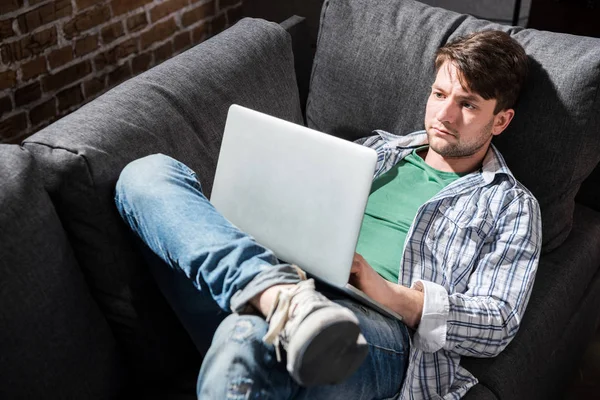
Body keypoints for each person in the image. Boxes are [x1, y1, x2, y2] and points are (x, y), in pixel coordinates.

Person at [114, 30, 541, 399]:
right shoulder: (373, 149)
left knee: (247, 334)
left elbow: (498, 322)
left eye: (468, 105)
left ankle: (278, 304)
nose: (444, 115)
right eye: (439, 94)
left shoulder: (511, 205)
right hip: (284, 272)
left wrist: (385, 290)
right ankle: (275, 295)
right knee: (146, 174)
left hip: (372, 329)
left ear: (501, 120)